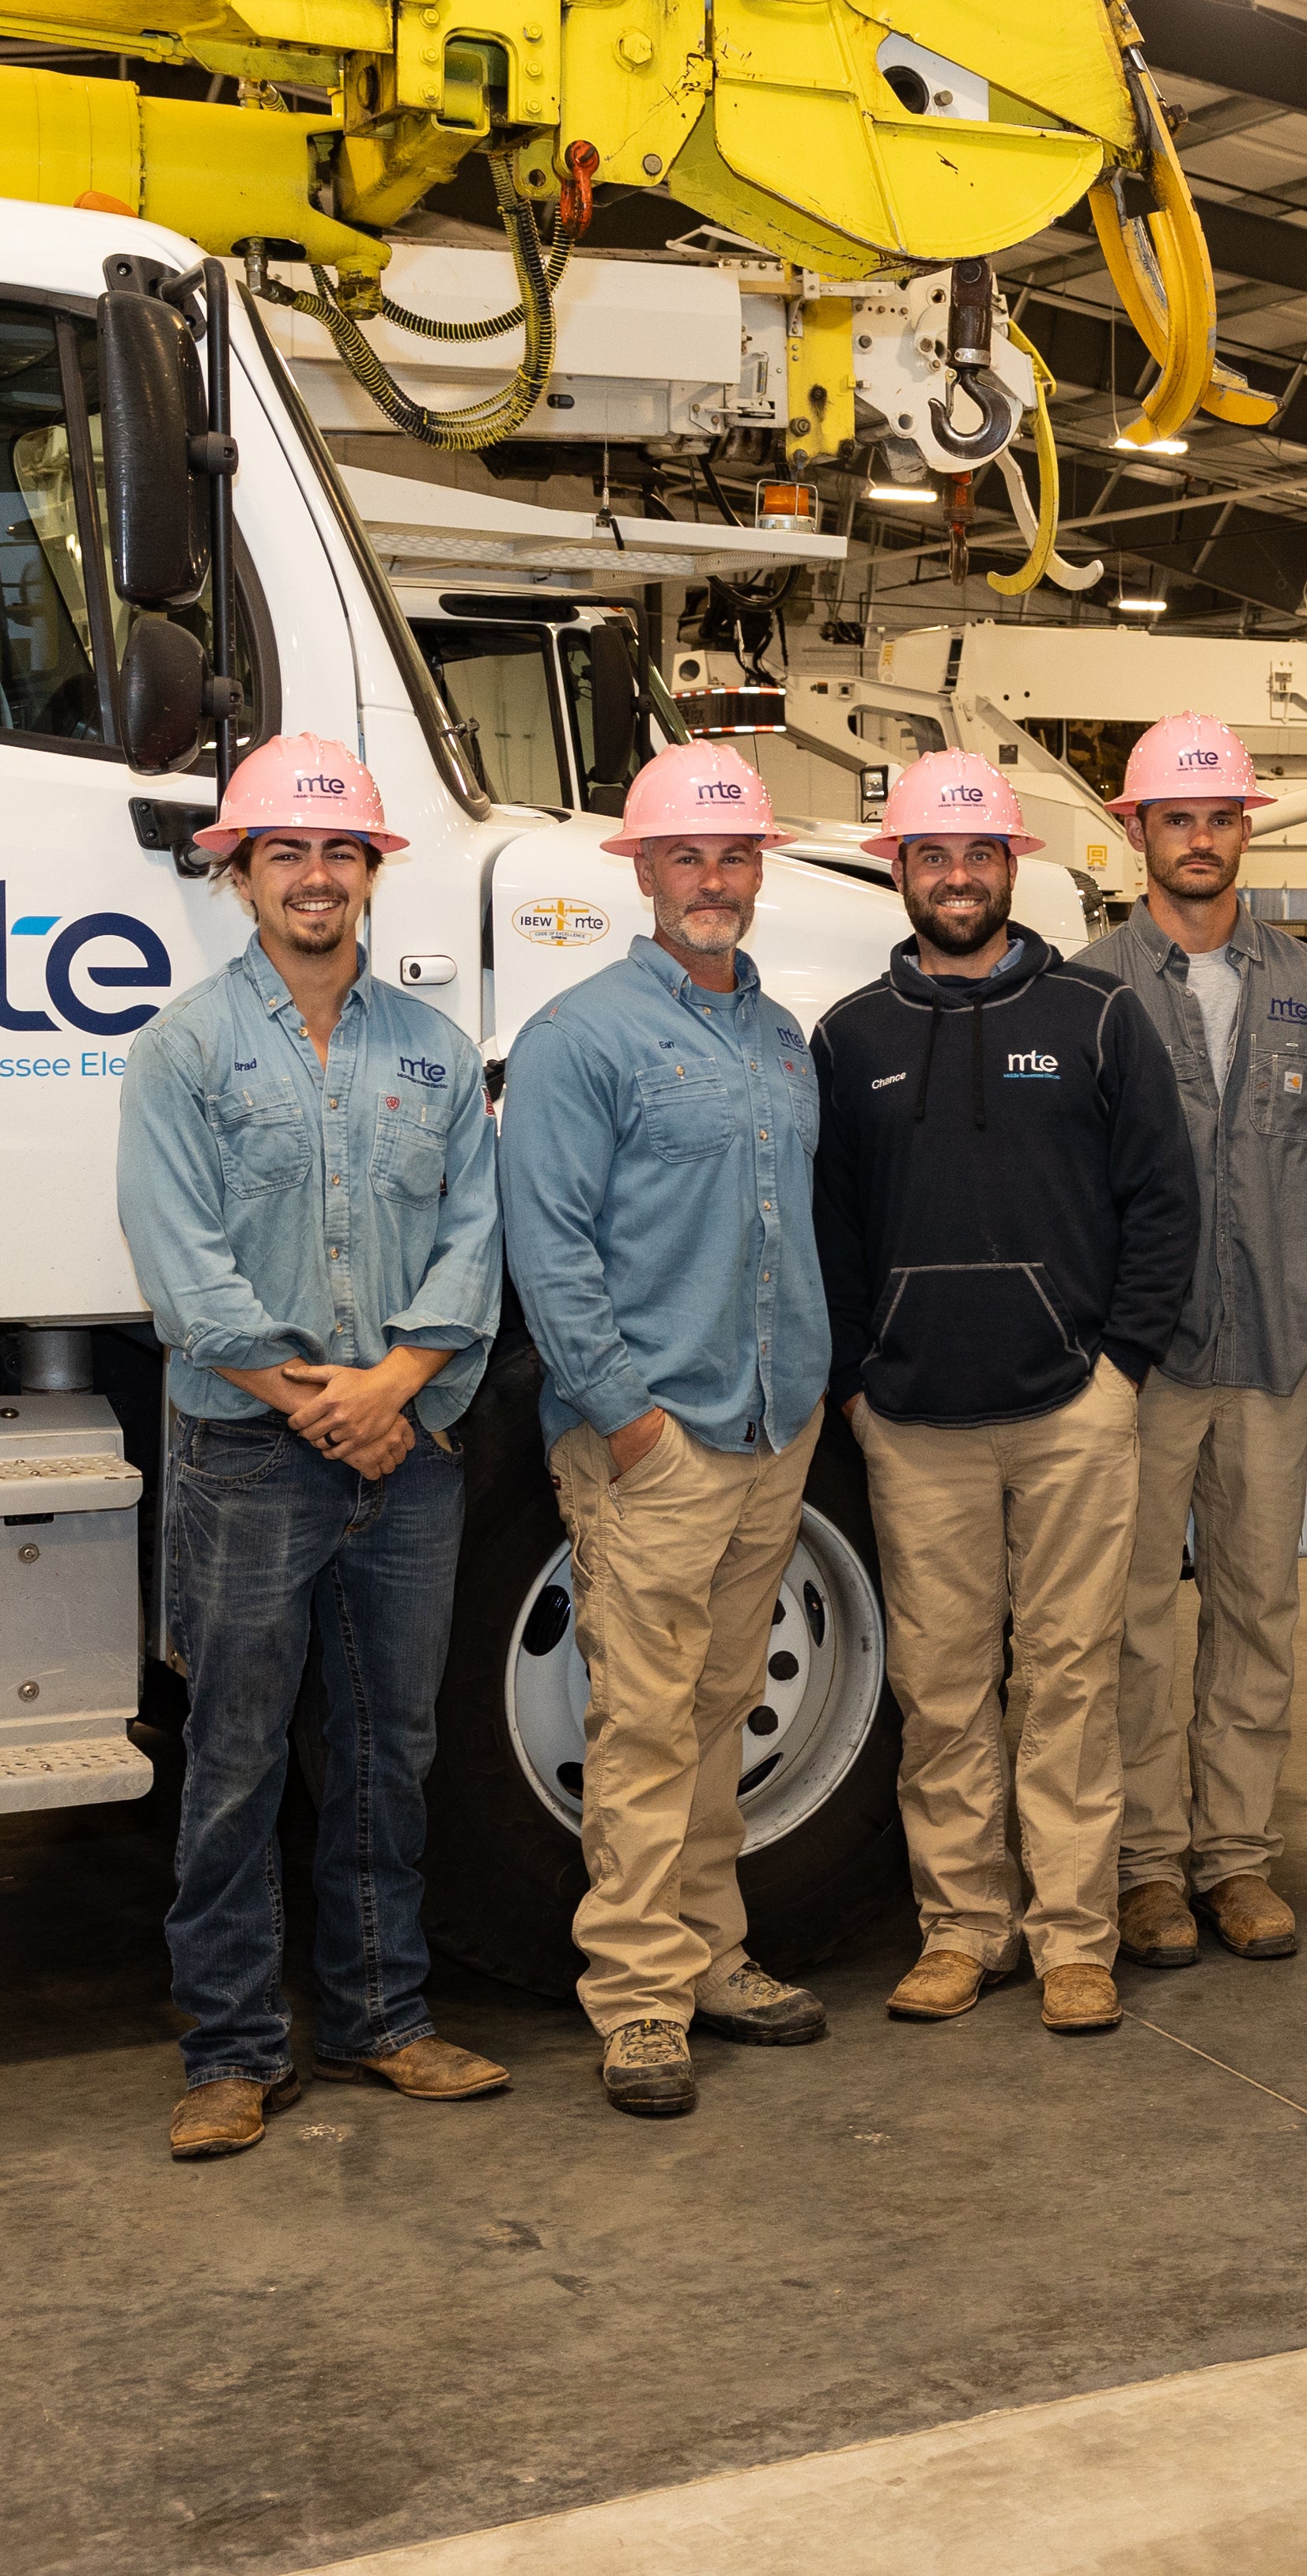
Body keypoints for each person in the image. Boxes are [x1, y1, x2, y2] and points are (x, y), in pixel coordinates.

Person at [121, 734, 508, 2160]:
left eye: (341, 852)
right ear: (240, 873)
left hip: (408, 1452)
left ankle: (380, 2018)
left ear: (372, 872)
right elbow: (183, 1269)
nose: (317, 876)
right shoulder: (185, 1050)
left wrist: (396, 1384)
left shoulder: (434, 1054)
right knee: (233, 1755)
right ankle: (228, 2050)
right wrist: (318, 1404)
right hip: (251, 1454)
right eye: (286, 852)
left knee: (387, 1750)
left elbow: (476, 1240)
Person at [817, 752, 1199, 2039]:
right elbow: (831, 1233)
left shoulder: (1093, 1017)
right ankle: (963, 1930)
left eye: (981, 855)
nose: (961, 877)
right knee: (940, 1687)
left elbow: (1163, 1202)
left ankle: (1075, 1938)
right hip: (915, 1421)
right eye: (935, 856)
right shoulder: (850, 1037)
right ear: (902, 871)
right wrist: (858, 1387)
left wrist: (1121, 1368)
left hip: (1070, 1415)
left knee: (1073, 1682)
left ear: (1010, 867)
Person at [501, 741, 836, 2120]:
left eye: (735, 854)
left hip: (774, 1427)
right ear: (637, 870)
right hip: (658, 1438)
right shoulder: (583, 1037)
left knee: (715, 1705)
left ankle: (711, 1953)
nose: (714, 879)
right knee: (640, 1723)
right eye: (687, 856)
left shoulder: (777, 1037)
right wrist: (628, 1421)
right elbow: (551, 1249)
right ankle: (638, 1998)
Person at [1075, 713, 1307, 1970]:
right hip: (1137, 1363)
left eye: (1220, 818)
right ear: (1137, 832)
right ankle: (1147, 1870)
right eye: (1176, 819)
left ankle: (1238, 1862)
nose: (1200, 840)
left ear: (1246, 829)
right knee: (1132, 1618)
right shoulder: (1086, 986)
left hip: (1272, 1352)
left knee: (1259, 1609)